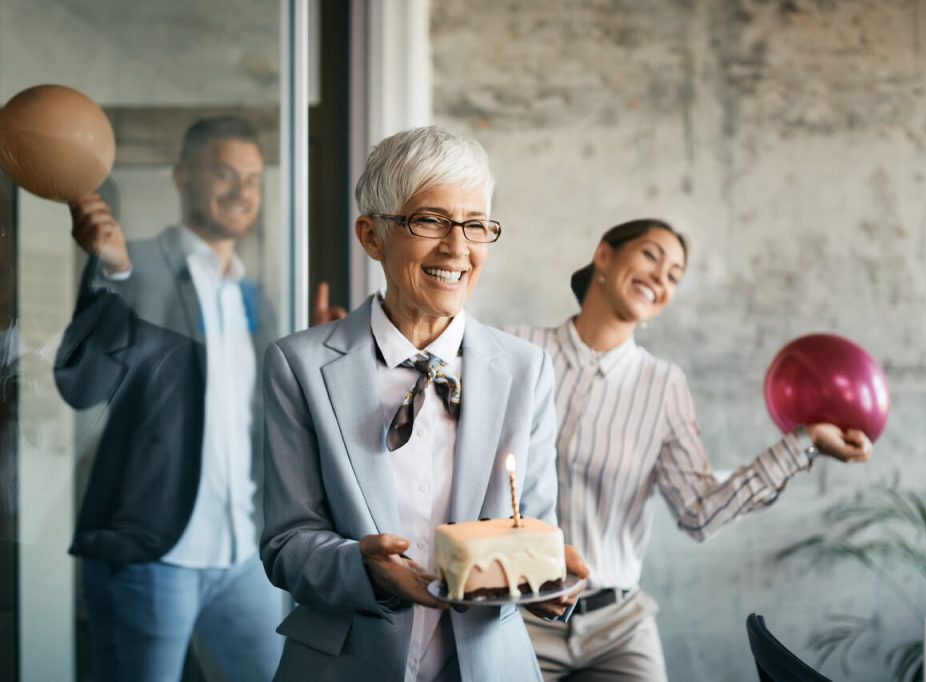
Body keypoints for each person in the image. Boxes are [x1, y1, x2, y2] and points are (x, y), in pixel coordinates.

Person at [260, 125, 588, 681]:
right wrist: (365, 570)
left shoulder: (524, 370)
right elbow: (287, 544)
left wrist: (549, 583)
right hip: (344, 664)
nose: (457, 247)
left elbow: (528, 525)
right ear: (371, 235)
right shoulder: (299, 366)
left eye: (476, 224)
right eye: (429, 220)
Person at [510, 218, 873, 681]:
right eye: (650, 255)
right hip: (518, 613)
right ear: (604, 255)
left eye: (675, 275)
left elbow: (700, 512)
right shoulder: (518, 349)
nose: (662, 276)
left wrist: (804, 443)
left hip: (617, 625)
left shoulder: (664, 385)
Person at [61, 115, 287, 681]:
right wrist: (113, 274)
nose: (241, 190)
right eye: (224, 173)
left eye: (253, 178)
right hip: (154, 556)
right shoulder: (132, 263)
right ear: (182, 176)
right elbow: (80, 386)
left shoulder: (252, 293)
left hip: (243, 556)